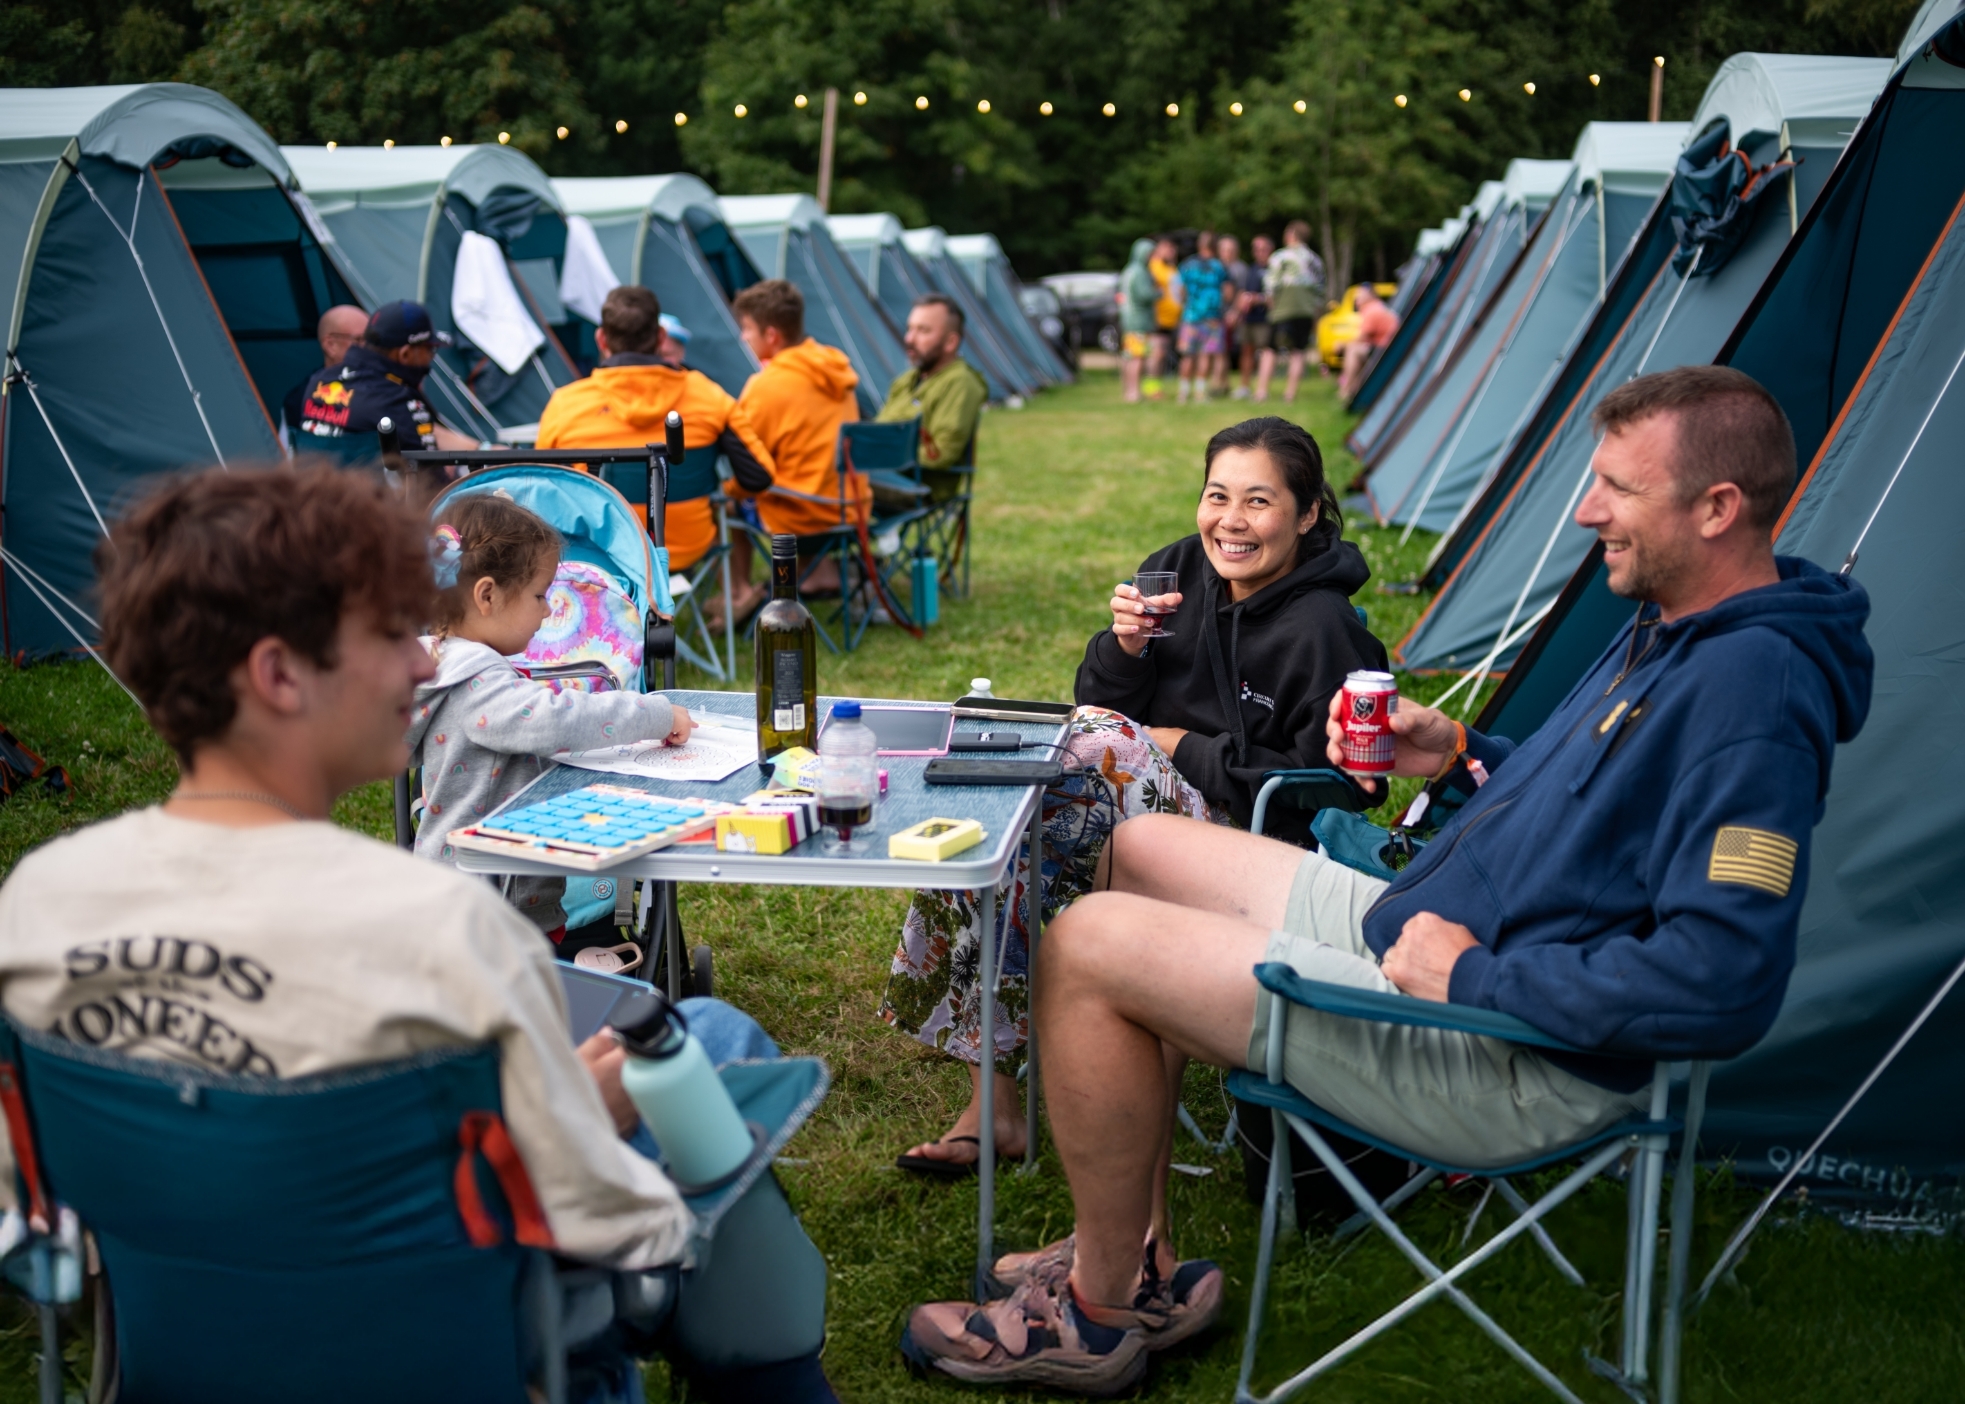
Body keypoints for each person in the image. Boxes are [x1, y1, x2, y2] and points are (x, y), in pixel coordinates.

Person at [900, 365, 1873, 1392]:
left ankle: (1095, 1317)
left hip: (1502, 1043)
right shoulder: (1677, 624)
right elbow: (1594, 809)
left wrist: (1473, 978)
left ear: (1716, 508)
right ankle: (1134, 1252)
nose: (1586, 511)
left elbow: (1722, 981)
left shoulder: (1753, 695)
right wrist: (1460, 754)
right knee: (1142, 846)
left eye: (1617, 489)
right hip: (1438, 934)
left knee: (1092, 941)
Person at [0, 466, 838, 1401]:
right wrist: (579, 1112)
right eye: (392, 634)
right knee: (709, 1042)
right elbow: (614, 1221)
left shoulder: (39, 902)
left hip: (186, 1340)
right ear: (279, 674)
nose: (425, 664)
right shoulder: (445, 932)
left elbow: (35, 1198)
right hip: (444, 1348)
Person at [884, 417, 1387, 1176]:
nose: (1231, 521)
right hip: (1127, 810)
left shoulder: (1324, 630)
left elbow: (1339, 785)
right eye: (1217, 496)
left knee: (1088, 743)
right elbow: (1101, 698)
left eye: (1258, 501)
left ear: (1307, 513)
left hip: (1250, 848)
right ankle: (994, 1108)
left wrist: (1185, 748)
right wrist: (1121, 648)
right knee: (989, 833)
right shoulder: (1176, 573)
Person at [406, 493, 695, 945]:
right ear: (487, 596)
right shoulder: (477, 683)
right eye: (539, 595)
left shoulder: (442, 664)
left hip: (468, 893)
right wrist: (653, 714)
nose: (547, 609)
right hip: (491, 904)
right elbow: (556, 720)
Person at [536, 286, 775, 582]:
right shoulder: (708, 395)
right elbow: (759, 475)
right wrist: (723, 492)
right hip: (683, 548)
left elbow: (544, 487)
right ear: (661, 337)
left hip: (600, 554)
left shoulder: (565, 404)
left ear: (601, 339)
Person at [727, 278, 866, 610]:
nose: (743, 337)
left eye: (747, 329)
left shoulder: (766, 386)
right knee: (796, 472)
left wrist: (729, 489)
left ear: (771, 335)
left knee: (726, 501)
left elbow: (749, 463)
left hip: (800, 516)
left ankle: (738, 593)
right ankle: (818, 573)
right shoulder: (835, 367)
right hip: (850, 508)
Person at [297, 300, 479, 452]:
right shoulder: (396, 401)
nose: (431, 357)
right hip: (369, 486)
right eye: (430, 349)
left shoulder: (317, 381)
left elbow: (431, 431)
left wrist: (481, 449)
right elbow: (431, 478)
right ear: (405, 354)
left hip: (315, 483)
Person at [877, 294, 988, 472]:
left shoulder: (960, 383)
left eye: (923, 331)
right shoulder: (905, 381)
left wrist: (875, 456)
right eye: (909, 329)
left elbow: (939, 454)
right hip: (875, 475)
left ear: (951, 342)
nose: (909, 339)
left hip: (912, 483)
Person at [280, 304, 367, 448]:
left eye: (373, 341)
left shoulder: (388, 389)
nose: (370, 349)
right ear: (331, 345)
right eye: (359, 340)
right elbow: (287, 454)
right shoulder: (297, 401)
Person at [1259, 221, 1327, 404]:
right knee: (1299, 351)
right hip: (1305, 310)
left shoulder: (1281, 256)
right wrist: (1315, 310)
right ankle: (1290, 394)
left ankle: (1262, 392)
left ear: (1291, 234)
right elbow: (1320, 289)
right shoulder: (1315, 259)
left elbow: (1270, 284)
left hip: (1282, 308)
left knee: (1270, 349)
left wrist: (1271, 305)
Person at [1174, 231, 1229, 405]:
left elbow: (1180, 291)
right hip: (1212, 318)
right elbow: (1228, 293)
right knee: (1206, 355)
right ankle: (1200, 393)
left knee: (1187, 355)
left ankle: (1183, 394)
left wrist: (1190, 304)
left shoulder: (1187, 265)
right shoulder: (1219, 266)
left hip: (1190, 317)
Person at [1339, 285, 1400, 401]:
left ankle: (1346, 389)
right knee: (1357, 349)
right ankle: (1354, 388)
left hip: (1384, 350)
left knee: (1353, 350)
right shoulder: (1379, 307)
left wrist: (1342, 344)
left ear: (1370, 296)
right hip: (1389, 347)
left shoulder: (1371, 311)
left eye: (1359, 296)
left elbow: (1362, 337)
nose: (1356, 299)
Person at [1118, 238, 1159, 405]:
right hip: (1139, 322)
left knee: (1129, 357)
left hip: (1129, 321)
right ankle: (1134, 393)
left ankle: (1128, 391)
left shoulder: (1128, 270)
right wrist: (1158, 293)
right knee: (1138, 357)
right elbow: (1144, 295)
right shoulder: (1140, 272)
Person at [1234, 234, 1274, 400]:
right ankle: (1244, 386)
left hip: (1265, 319)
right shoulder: (1251, 269)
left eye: (1263, 249)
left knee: (1265, 352)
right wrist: (1240, 306)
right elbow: (1242, 292)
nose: (1259, 252)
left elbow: (1275, 297)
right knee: (1246, 351)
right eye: (1256, 249)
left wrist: (1257, 299)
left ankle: (1261, 388)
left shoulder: (1274, 269)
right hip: (1248, 318)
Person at [1145, 236, 1181, 400]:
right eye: (1167, 247)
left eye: (1173, 248)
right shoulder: (1153, 267)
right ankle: (1150, 389)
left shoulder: (1172, 268)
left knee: (1162, 355)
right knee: (1156, 354)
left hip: (1170, 320)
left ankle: (1156, 388)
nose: (1171, 251)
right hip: (1157, 319)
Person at [1214, 235, 1245, 399]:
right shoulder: (1215, 267)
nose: (1228, 253)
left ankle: (1222, 384)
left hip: (1232, 315)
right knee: (1219, 351)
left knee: (1225, 350)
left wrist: (1235, 312)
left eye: (1231, 250)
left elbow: (1242, 292)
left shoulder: (1241, 269)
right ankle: (1221, 384)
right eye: (1225, 250)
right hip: (1215, 315)